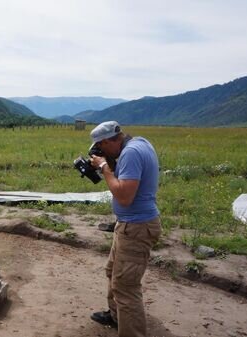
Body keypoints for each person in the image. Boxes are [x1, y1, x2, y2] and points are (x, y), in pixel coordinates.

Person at [88, 121, 161, 337]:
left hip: (137, 226)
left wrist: (104, 168)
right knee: (113, 272)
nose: (101, 151)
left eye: (101, 146)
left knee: (126, 287)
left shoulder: (130, 153)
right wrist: (109, 167)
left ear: (111, 140)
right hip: (129, 224)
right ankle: (115, 316)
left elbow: (124, 196)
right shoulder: (140, 143)